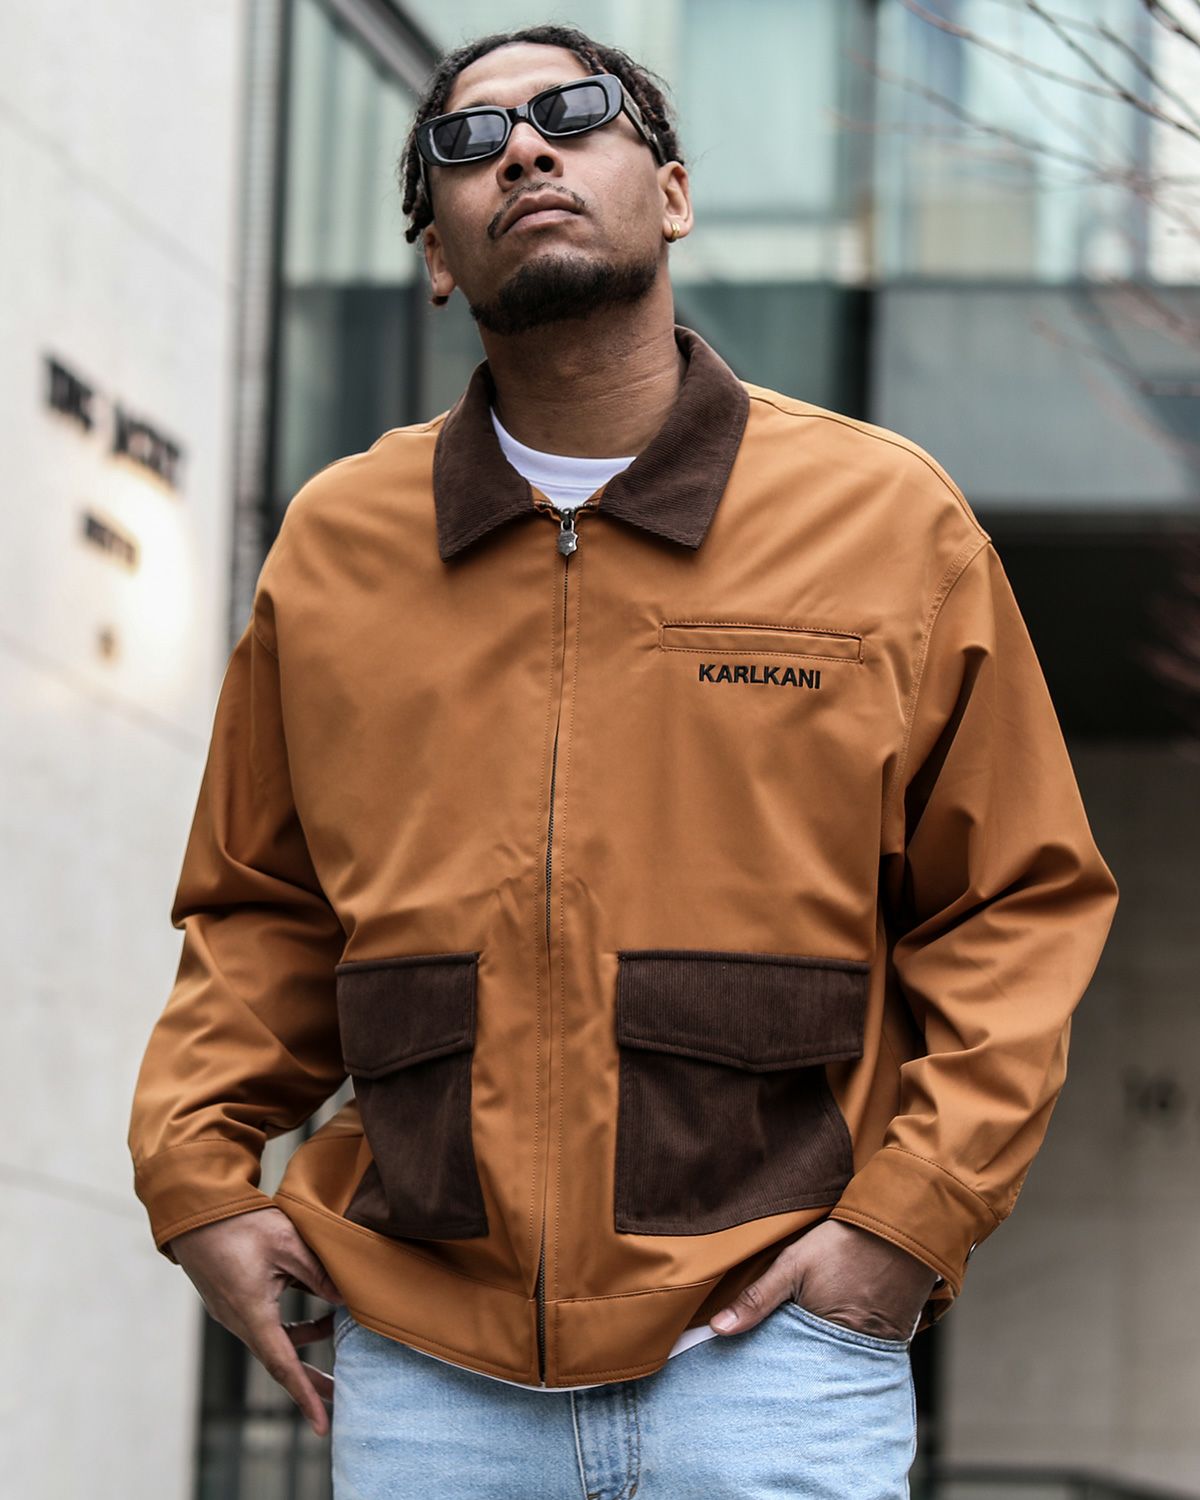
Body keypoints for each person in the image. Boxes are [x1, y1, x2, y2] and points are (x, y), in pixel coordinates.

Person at [127, 22, 1120, 1498]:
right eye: (468, 142)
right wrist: (196, 1177)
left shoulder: (887, 521)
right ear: (437, 257)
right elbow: (263, 908)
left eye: (574, 115)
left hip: (773, 1349)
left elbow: (1015, 903)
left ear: (672, 195)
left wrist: (906, 1224)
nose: (523, 150)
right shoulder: (337, 544)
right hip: (427, 1361)